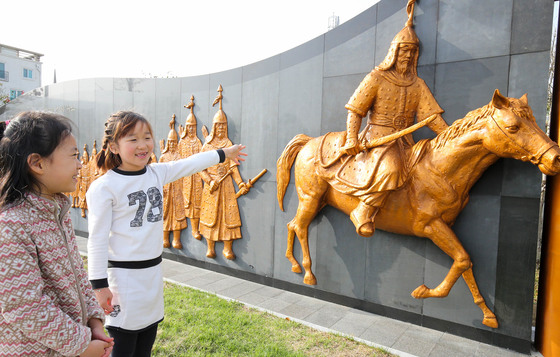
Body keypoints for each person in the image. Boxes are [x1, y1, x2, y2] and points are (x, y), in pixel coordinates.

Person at [86, 111, 246, 357]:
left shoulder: (156, 173)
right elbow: (96, 241)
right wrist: (99, 285)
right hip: (122, 281)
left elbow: (188, 164)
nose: (143, 145)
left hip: (152, 277)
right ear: (114, 146)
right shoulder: (103, 187)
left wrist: (224, 153)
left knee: (145, 343)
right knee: (121, 346)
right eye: (133, 139)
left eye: (147, 137)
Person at [0, 111, 113, 357]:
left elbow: (77, 273)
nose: (81, 163)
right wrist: (82, 344)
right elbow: (24, 307)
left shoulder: (56, 210)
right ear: (37, 163)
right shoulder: (11, 224)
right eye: (73, 155)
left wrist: (94, 321)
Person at [338, 1, 448, 237]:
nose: (407, 56)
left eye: (412, 51)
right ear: (394, 51)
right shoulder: (376, 77)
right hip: (378, 138)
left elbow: (432, 119)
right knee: (390, 169)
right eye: (404, 50)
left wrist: (450, 137)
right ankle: (363, 210)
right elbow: (355, 110)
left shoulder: (417, 85)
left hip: (405, 141)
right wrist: (351, 138)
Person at [199, 87, 248, 260]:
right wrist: (209, 181)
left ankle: (228, 248)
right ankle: (210, 247)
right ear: (214, 126)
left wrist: (240, 183)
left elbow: (234, 167)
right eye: (218, 124)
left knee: (228, 217)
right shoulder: (207, 146)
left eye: (223, 125)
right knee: (210, 216)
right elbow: (201, 169)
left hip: (226, 187)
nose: (220, 128)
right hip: (212, 186)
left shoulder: (229, 144)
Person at [159, 114, 187, 249]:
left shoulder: (180, 156)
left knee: (177, 215)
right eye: (170, 142)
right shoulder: (163, 157)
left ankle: (176, 239)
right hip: (165, 191)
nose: (171, 144)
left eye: (174, 142)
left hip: (178, 190)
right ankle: (165, 238)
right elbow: (157, 173)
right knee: (165, 214)